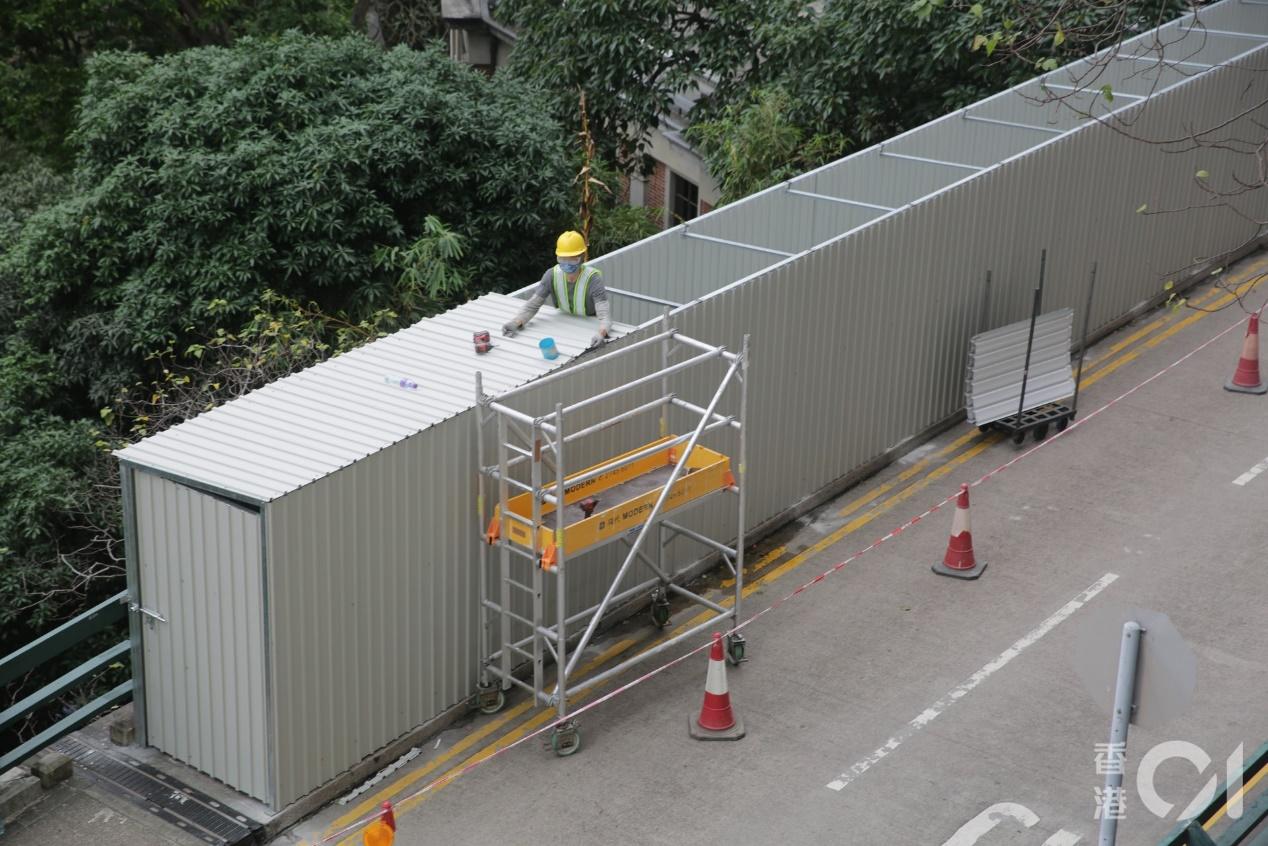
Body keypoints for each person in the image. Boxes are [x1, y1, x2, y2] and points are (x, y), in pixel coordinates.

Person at [502, 230, 611, 347]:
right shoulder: (551, 275)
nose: (567, 264)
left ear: (582, 257)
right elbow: (532, 305)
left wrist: (601, 333)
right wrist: (516, 322)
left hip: (588, 324)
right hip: (562, 322)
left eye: (573, 259)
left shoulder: (593, 279)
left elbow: (605, 315)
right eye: (563, 259)